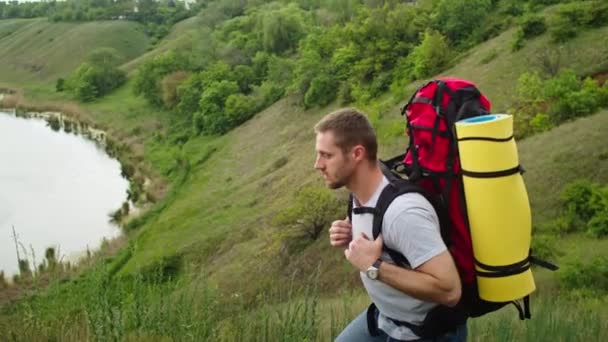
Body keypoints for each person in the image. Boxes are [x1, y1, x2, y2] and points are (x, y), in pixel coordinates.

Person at [313, 108, 466, 342]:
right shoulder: (361, 193)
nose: (318, 165)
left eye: (327, 155)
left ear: (357, 154)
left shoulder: (403, 213)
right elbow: (379, 229)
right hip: (386, 318)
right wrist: (349, 229)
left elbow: (450, 291)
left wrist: (373, 267)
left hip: (426, 332)